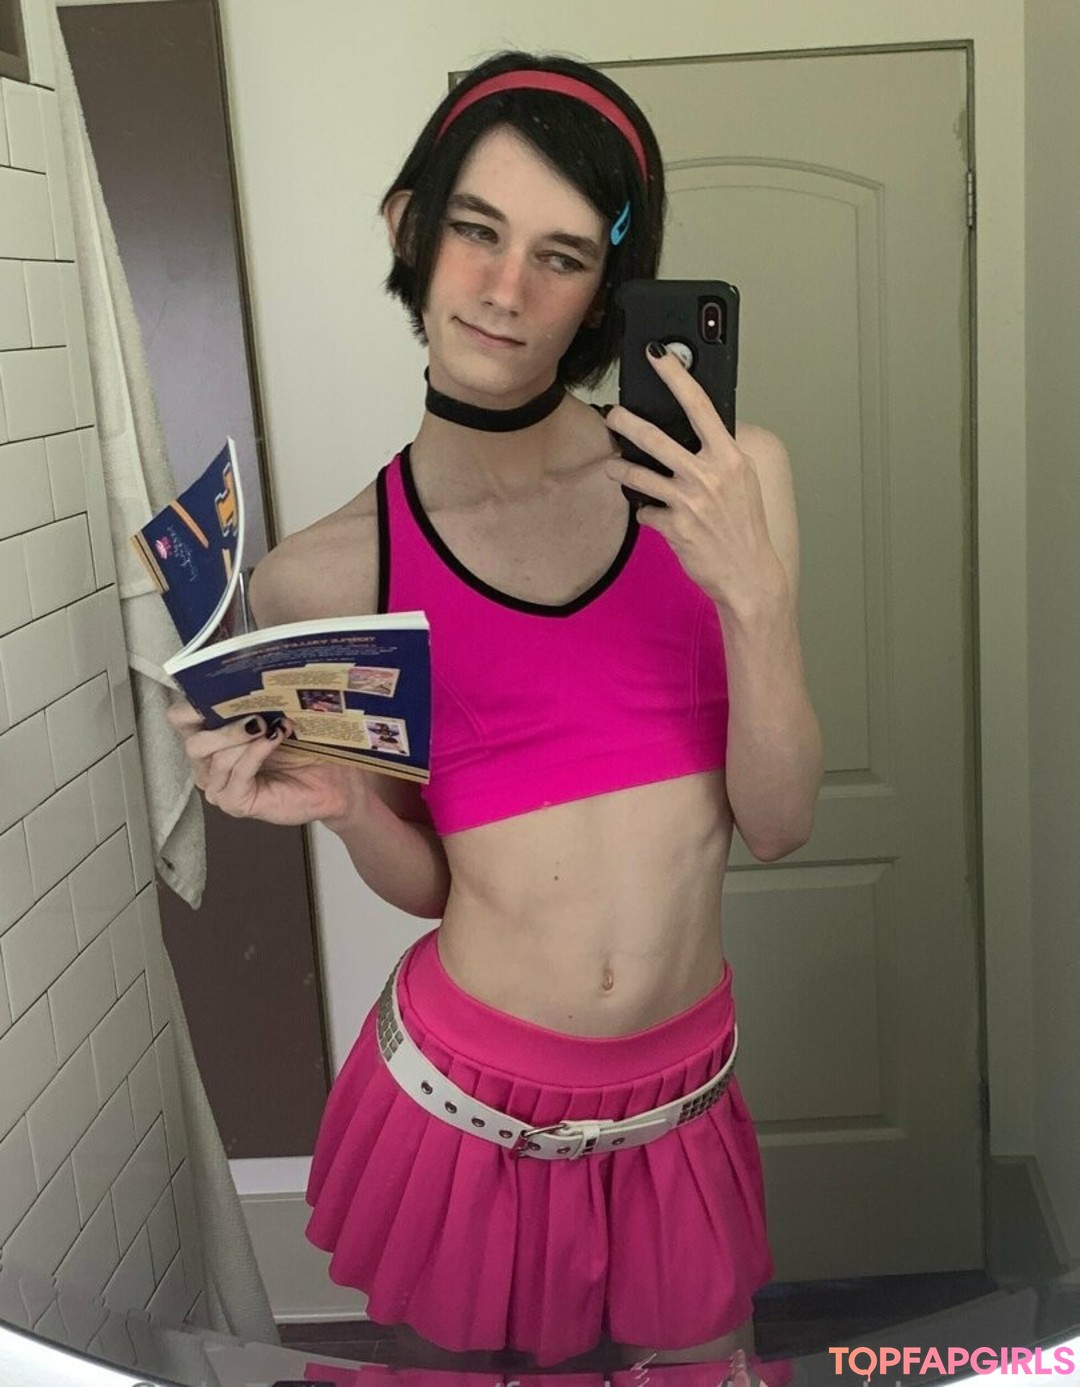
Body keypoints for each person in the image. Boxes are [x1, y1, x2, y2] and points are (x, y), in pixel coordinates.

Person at [168, 50, 823, 1371]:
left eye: (561, 255)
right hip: (462, 1115)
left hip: (682, 1101)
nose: (508, 290)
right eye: (477, 231)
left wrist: (753, 601)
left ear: (608, 290)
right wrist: (347, 807)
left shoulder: (725, 488)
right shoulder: (325, 575)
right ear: (409, 229)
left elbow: (779, 820)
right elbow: (431, 886)